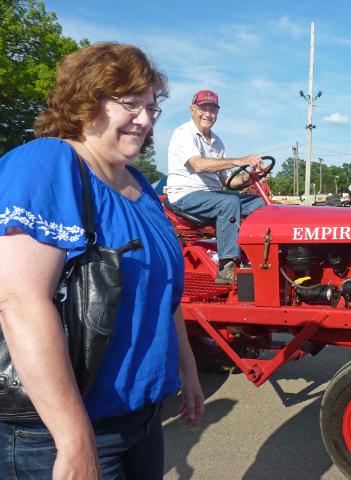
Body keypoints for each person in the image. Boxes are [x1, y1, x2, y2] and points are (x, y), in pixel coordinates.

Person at [0, 43, 204, 479]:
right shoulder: (47, 163)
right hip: (55, 432)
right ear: (85, 100)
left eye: (151, 107)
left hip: (141, 419)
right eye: (130, 104)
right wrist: (74, 441)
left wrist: (188, 372)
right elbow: (20, 304)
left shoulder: (142, 188)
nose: (146, 120)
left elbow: (165, 295)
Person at [166, 89, 265, 284]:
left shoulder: (217, 142)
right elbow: (198, 165)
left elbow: (227, 182)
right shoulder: (183, 134)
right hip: (186, 196)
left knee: (260, 204)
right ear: (192, 109)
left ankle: (259, 256)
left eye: (212, 110)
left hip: (213, 196)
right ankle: (227, 267)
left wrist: (250, 177)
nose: (208, 114)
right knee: (228, 202)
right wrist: (238, 160)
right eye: (203, 108)